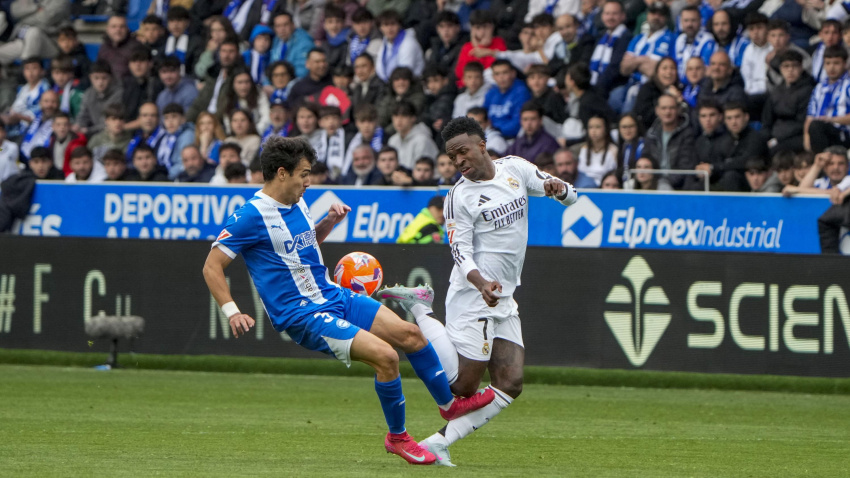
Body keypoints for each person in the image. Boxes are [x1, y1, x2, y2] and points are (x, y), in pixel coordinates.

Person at [203, 135, 496, 465]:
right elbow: (212, 266)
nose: (309, 181)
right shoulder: (250, 216)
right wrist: (232, 311)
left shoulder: (297, 202)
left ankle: (449, 405)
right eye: (304, 174)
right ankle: (398, 438)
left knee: (411, 335)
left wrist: (328, 222)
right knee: (386, 357)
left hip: (333, 295)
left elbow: (302, 247)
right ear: (282, 173)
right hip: (303, 315)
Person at [378, 116, 577, 466]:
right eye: (451, 156)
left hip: (504, 295)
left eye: (462, 152)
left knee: (510, 382)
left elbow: (570, 196)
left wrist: (560, 190)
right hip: (473, 294)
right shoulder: (459, 196)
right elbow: (460, 252)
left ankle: (439, 443)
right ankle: (421, 307)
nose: (458, 161)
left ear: (481, 145)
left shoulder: (515, 168)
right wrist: (481, 283)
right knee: (463, 387)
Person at [762, 50, 814, 156]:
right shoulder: (776, 91)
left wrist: (778, 138)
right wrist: (766, 137)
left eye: (794, 66)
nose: (790, 70)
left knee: (774, 150)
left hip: (797, 136)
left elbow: (801, 123)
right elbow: (767, 120)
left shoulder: (808, 90)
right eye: (786, 66)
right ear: (780, 69)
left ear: (801, 68)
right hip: (776, 134)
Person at [642, 93, 697, 190]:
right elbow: (646, 159)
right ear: (657, 110)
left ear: (678, 109)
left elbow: (685, 167)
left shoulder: (687, 134)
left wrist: (665, 182)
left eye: (672, 108)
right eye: (663, 108)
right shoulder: (651, 134)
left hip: (678, 186)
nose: (667, 112)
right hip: (653, 183)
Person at [715, 101, 769, 191]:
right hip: (728, 182)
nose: (733, 122)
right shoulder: (723, 141)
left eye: (737, 117)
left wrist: (718, 166)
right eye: (729, 118)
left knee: (731, 176)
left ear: (746, 117)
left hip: (754, 184)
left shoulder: (756, 138)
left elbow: (746, 161)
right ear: (725, 121)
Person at [805, 45, 850, 154]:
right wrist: (806, 138)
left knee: (817, 126)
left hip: (843, 133)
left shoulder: (848, 85)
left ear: (845, 64)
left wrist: (831, 120)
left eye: (836, 63)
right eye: (828, 63)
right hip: (820, 131)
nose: (831, 68)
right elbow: (810, 116)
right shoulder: (819, 88)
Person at [589, 0, 632, 103]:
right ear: (602, 16)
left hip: (614, 87)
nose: (610, 17)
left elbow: (614, 68)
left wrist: (595, 89)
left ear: (623, 16)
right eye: (607, 14)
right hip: (597, 85)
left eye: (614, 14)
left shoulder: (626, 37)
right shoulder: (600, 36)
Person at [483, 60, 532, 139]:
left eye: (505, 73)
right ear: (493, 76)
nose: (501, 77)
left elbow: (517, 124)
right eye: (497, 74)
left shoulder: (522, 92)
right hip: (490, 135)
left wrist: (495, 130)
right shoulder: (491, 92)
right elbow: (482, 116)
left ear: (513, 73)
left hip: (511, 138)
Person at [75, 61, 123, 137]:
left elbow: (107, 122)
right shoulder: (88, 93)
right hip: (93, 134)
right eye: (96, 78)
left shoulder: (118, 94)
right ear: (90, 78)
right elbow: (83, 115)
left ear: (111, 78)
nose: (100, 82)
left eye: (104, 78)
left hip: (112, 134)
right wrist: (78, 126)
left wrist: (88, 130)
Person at [387, 101, 439, 170]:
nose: (399, 120)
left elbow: (424, 171)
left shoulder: (422, 140)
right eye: (396, 116)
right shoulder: (393, 140)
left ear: (413, 118)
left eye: (404, 116)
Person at [674, 6, 715, 85]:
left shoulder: (707, 40)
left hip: (700, 85)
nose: (689, 24)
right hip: (681, 85)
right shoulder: (680, 39)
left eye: (693, 20)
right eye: (686, 20)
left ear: (700, 21)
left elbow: (704, 70)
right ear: (681, 22)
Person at [97, 16, 143, 80]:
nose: (118, 30)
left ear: (127, 29)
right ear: (107, 29)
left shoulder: (136, 47)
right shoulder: (104, 47)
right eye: (114, 26)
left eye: (122, 26)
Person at [578, 115, 618, 186]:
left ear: (605, 129)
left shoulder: (613, 150)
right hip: (585, 186)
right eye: (591, 127)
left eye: (598, 127)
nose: (594, 131)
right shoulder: (584, 149)